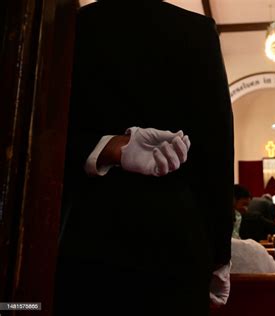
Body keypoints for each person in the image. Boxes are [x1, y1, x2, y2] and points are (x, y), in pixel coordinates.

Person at [55, 1, 234, 315]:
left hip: (89, 236)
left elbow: (49, 134)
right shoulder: (196, 31)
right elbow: (216, 152)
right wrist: (221, 252)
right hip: (177, 239)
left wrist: (109, 147)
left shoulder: (74, 24)